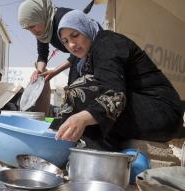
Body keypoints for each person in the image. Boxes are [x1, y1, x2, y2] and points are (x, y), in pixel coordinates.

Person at [52, 10, 183, 151]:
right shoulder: (81, 60)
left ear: (86, 29)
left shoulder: (107, 43)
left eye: (75, 35)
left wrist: (82, 118)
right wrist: (55, 131)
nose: (71, 45)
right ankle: (92, 156)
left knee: (87, 93)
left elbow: (114, 94)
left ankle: (99, 158)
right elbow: (71, 97)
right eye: (65, 41)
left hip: (162, 112)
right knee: (79, 93)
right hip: (136, 110)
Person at [18, 0, 94, 115]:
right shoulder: (43, 32)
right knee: (73, 98)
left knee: (85, 96)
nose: (32, 31)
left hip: (92, 56)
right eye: (28, 28)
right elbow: (42, 53)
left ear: (40, 15)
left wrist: (55, 71)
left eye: (33, 26)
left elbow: (78, 51)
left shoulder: (63, 20)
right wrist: (39, 70)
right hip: (78, 58)